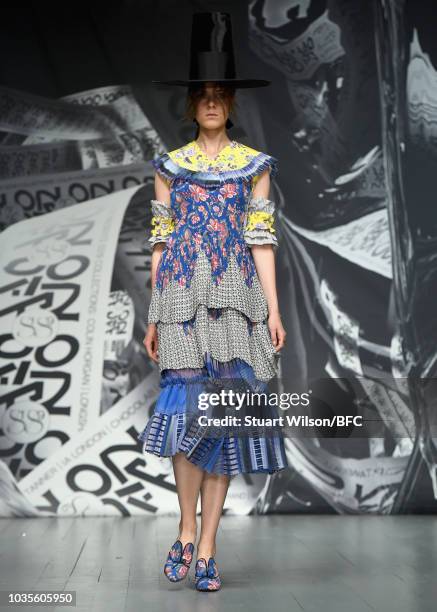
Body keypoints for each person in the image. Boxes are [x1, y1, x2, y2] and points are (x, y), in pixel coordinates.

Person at [138, 12, 288, 592]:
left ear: (229, 103)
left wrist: (272, 311)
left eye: (219, 94)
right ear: (192, 104)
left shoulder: (254, 168)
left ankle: (206, 547)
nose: (210, 102)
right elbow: (160, 243)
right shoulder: (170, 168)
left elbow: (262, 243)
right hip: (179, 300)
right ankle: (182, 527)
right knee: (185, 418)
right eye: (202, 95)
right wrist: (155, 313)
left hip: (236, 301)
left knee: (223, 421)